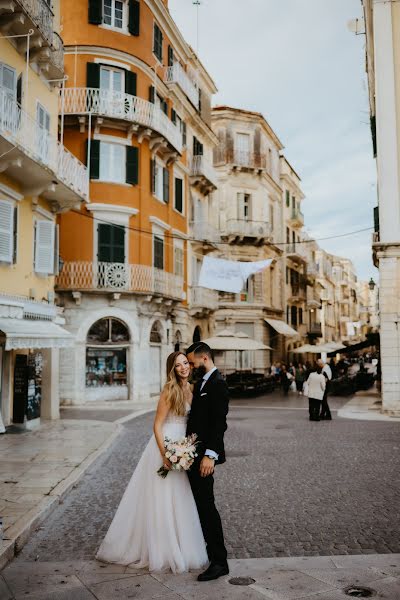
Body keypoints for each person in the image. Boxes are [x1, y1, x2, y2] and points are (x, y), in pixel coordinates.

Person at [96, 352, 208, 573]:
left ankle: (180, 542)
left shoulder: (192, 389)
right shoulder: (169, 390)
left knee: (180, 496)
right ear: (172, 369)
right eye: (178, 365)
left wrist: (186, 448)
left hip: (183, 447)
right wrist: (165, 453)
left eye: (185, 363)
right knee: (162, 497)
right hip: (165, 445)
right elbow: (157, 425)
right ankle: (161, 548)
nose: (184, 367)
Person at [186, 342, 230, 582]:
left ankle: (219, 561)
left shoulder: (218, 384)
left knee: (207, 507)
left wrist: (210, 455)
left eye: (192, 362)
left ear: (204, 358)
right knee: (199, 505)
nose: (191, 366)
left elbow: (218, 424)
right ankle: (206, 551)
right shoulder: (201, 382)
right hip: (192, 455)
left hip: (204, 457)